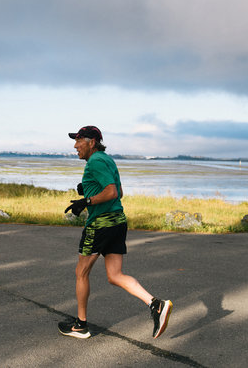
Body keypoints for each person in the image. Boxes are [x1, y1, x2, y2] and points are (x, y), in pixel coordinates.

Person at [58, 125, 172, 340]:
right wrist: (89, 189)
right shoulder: (107, 159)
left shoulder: (95, 161)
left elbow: (111, 192)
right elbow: (119, 191)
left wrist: (87, 201)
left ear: (92, 142)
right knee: (115, 275)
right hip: (118, 222)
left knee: (81, 273)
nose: (75, 146)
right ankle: (156, 305)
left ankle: (80, 325)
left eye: (79, 140)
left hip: (100, 225)